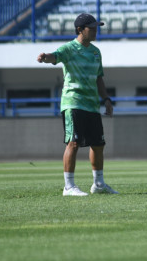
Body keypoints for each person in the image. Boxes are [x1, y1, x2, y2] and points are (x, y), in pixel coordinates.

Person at [36, 13, 117, 196]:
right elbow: (54, 56)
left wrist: (106, 100)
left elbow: (99, 78)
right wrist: (45, 57)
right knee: (73, 143)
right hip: (73, 103)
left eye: (97, 27)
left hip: (91, 105)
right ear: (80, 29)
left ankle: (99, 184)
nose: (96, 30)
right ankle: (69, 186)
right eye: (92, 27)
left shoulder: (96, 52)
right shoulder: (69, 48)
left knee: (98, 144)